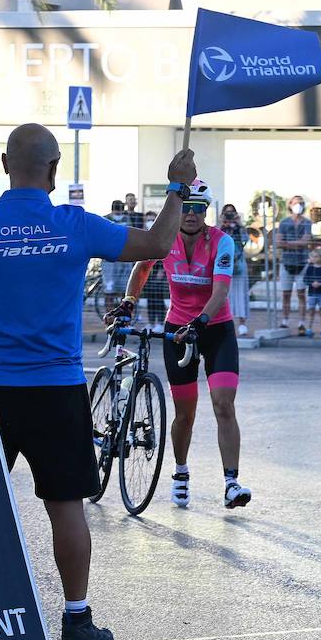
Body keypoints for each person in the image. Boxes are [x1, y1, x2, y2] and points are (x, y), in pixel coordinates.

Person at [0, 123, 196, 640]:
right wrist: (177, 187)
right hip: (57, 390)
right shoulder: (75, 226)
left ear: (6, 167)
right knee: (66, 506)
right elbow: (159, 243)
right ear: (54, 171)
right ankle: (76, 622)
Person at [115, 179, 253, 511]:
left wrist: (201, 322)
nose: (191, 215)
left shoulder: (221, 242)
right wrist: (129, 301)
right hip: (177, 329)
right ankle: (180, 473)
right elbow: (142, 267)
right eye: (186, 207)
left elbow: (220, 292)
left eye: (198, 209)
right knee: (184, 414)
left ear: (207, 211)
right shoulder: (164, 239)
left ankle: (231, 483)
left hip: (214, 328)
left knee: (223, 404)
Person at [278, 195, 312, 332]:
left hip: (302, 262)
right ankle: (285, 320)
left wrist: (288, 244)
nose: (298, 205)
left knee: (301, 293)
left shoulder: (307, 223)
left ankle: (301, 322)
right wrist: (297, 244)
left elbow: (306, 242)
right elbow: (279, 242)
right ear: (290, 204)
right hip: (286, 262)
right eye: (295, 203)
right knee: (286, 293)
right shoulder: (284, 222)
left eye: (300, 203)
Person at [219, 203, 252, 336]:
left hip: (239, 263)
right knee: (224, 293)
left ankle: (242, 324)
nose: (229, 215)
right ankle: (226, 322)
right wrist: (222, 224)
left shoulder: (239, 228)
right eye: (227, 213)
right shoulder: (220, 228)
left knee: (241, 293)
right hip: (224, 264)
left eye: (232, 213)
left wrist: (239, 225)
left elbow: (246, 240)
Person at [100, 200, 130, 315]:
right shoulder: (105, 218)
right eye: (116, 212)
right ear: (112, 210)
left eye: (120, 212)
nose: (118, 214)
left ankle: (122, 316)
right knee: (109, 290)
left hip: (125, 259)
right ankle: (109, 315)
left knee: (124, 289)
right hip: (109, 261)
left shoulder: (127, 219)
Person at [305, 247, 321, 338]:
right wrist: (312, 283)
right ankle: (309, 329)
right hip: (311, 294)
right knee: (311, 311)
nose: (314, 258)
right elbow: (305, 280)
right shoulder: (309, 269)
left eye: (316, 257)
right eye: (313, 257)